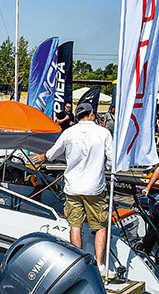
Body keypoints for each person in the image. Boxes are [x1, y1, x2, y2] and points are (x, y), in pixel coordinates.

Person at [30, 102, 114, 269]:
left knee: (75, 225)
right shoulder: (104, 133)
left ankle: (79, 263)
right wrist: (106, 167)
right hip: (95, 187)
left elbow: (53, 152)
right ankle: (100, 264)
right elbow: (111, 160)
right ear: (91, 114)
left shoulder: (69, 132)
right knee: (100, 226)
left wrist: (43, 156)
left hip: (73, 187)